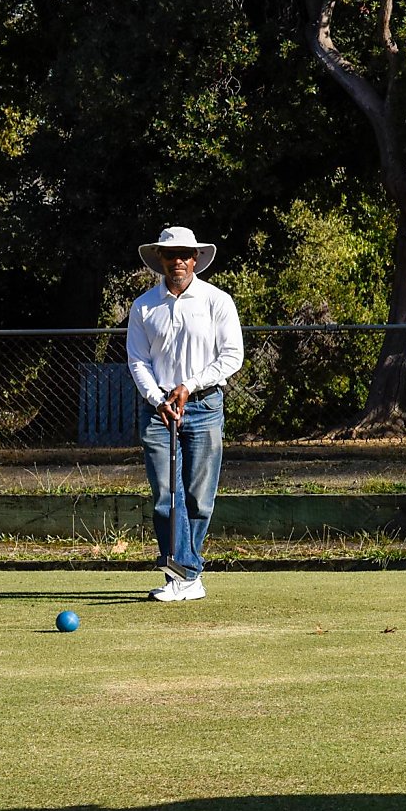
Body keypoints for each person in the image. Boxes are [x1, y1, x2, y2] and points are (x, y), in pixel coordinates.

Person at [125, 226, 243, 603]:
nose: (177, 261)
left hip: (204, 406)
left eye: (184, 254)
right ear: (160, 258)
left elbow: (231, 356)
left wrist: (188, 385)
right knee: (165, 494)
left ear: (195, 259)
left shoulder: (216, 300)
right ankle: (185, 574)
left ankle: (185, 572)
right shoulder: (144, 306)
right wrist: (158, 398)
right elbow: (138, 360)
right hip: (159, 412)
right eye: (170, 254)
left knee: (198, 497)